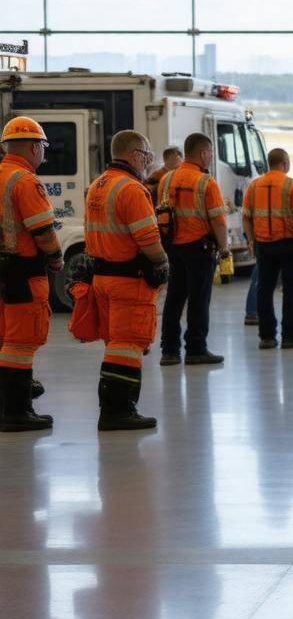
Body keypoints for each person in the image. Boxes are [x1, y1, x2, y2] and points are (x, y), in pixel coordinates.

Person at [84, 130, 167, 431]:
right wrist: (162, 262)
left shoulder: (99, 184)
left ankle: (113, 408)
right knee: (128, 344)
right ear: (134, 156)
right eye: (146, 156)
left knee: (116, 344)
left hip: (103, 277)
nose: (148, 162)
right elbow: (147, 237)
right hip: (129, 280)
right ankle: (118, 411)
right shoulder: (131, 189)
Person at [0, 117, 63, 432]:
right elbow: (42, 230)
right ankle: (16, 412)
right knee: (21, 343)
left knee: (4, 339)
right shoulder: (25, 181)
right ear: (35, 147)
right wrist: (56, 257)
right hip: (22, 274)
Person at [157, 132, 228, 366]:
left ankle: (169, 350)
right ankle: (196, 348)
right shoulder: (206, 182)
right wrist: (224, 247)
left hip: (172, 246)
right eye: (210, 153)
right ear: (203, 153)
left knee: (174, 298)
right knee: (199, 299)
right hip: (199, 248)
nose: (211, 157)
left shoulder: (166, 179)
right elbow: (218, 220)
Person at [243, 147, 293, 350]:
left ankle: (267, 337)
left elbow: (246, 217)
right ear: (285, 163)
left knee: (264, 289)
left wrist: (251, 240)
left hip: (263, 245)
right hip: (289, 245)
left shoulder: (254, 186)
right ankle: (290, 336)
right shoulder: (292, 185)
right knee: (292, 289)